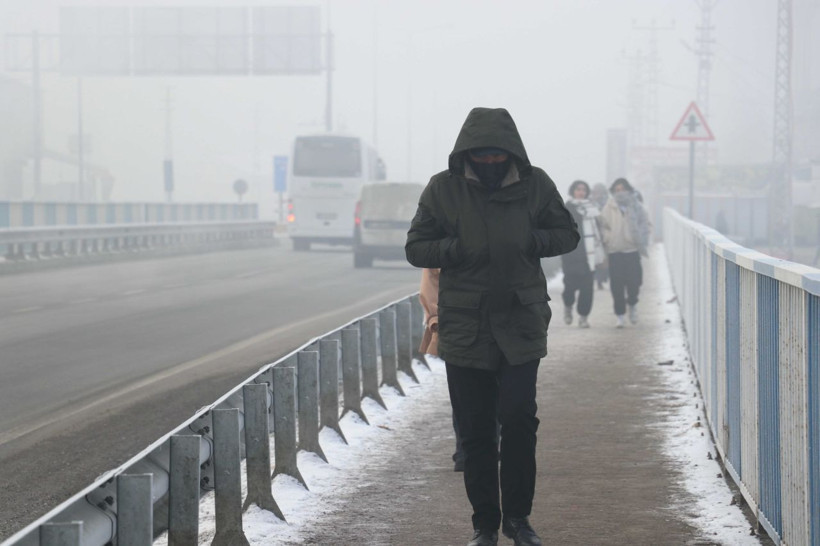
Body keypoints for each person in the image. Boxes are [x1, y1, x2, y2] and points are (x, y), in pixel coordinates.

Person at [406, 107, 579, 546]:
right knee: (477, 429)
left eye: (496, 156)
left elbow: (566, 234)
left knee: (519, 419)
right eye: (480, 156)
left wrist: (530, 240)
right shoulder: (442, 190)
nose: (488, 164)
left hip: (521, 322)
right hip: (465, 325)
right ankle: (484, 525)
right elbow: (416, 247)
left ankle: (519, 520)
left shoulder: (535, 184)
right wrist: (456, 248)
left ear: (510, 153)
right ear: (466, 153)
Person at [418, 267, 466, 472]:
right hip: (459, 327)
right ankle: (466, 450)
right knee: (466, 396)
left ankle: (472, 450)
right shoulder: (447, 237)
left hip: (496, 325)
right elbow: (431, 277)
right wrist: (435, 319)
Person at [598, 177, 651, 328]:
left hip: (632, 251)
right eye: (617, 190)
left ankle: (632, 304)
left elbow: (646, 224)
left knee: (635, 283)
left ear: (629, 190)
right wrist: (608, 238)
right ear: (613, 191)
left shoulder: (637, 206)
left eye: (623, 189)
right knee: (617, 286)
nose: (620, 193)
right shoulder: (609, 207)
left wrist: (641, 239)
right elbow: (603, 225)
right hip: (615, 252)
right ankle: (620, 315)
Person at [560, 180, 604, 328]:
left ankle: (583, 317)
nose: (581, 192)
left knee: (587, 290)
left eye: (584, 190)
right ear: (573, 191)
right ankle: (568, 306)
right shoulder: (566, 208)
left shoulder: (592, 210)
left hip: (589, 256)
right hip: (571, 254)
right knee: (569, 288)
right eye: (578, 189)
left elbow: (598, 232)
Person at [589, 183, 610, 290]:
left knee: (604, 258)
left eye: (600, 192)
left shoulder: (608, 203)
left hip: (605, 233)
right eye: (596, 192)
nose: (598, 195)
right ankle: (598, 281)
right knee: (596, 258)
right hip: (593, 235)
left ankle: (602, 279)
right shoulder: (589, 203)